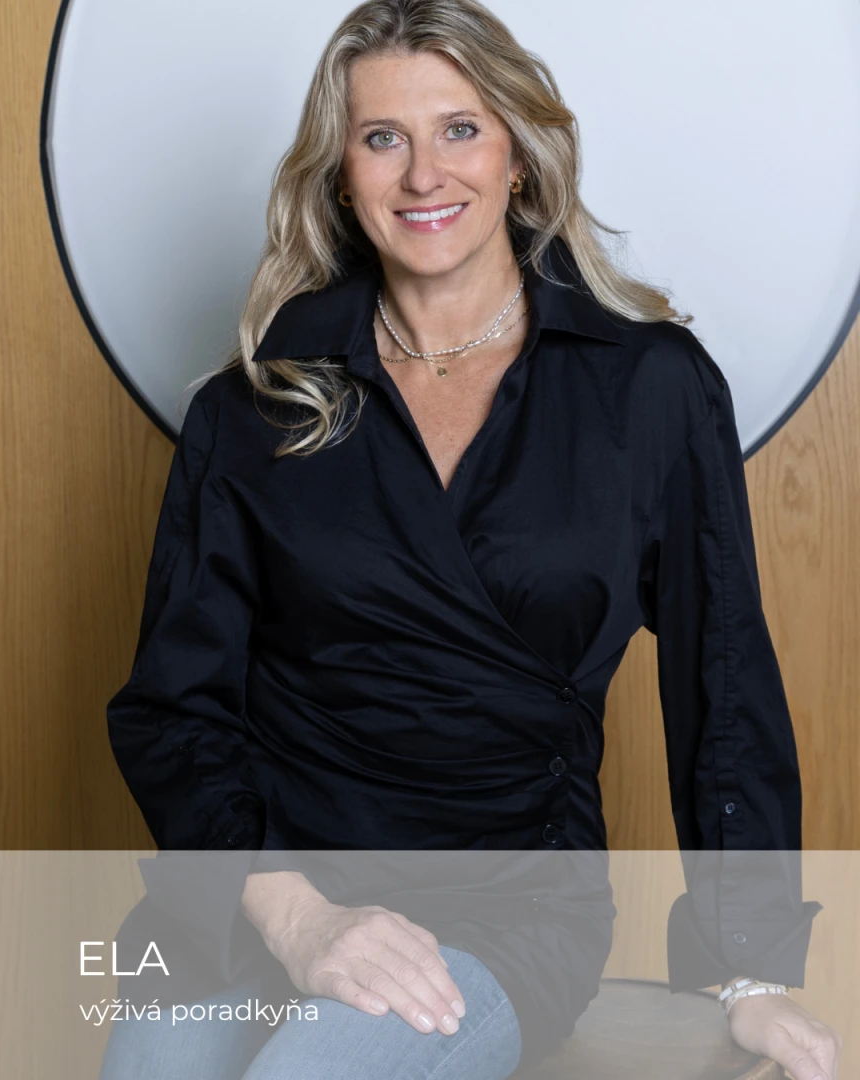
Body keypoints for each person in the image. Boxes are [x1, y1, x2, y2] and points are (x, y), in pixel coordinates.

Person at [101, 1, 842, 1078]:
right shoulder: (251, 407)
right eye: (382, 138)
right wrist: (298, 917)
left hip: (508, 903)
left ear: (519, 156)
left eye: (459, 129)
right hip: (268, 890)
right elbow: (175, 709)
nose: (423, 175)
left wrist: (752, 972)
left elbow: (722, 684)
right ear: (341, 176)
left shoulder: (650, 387)